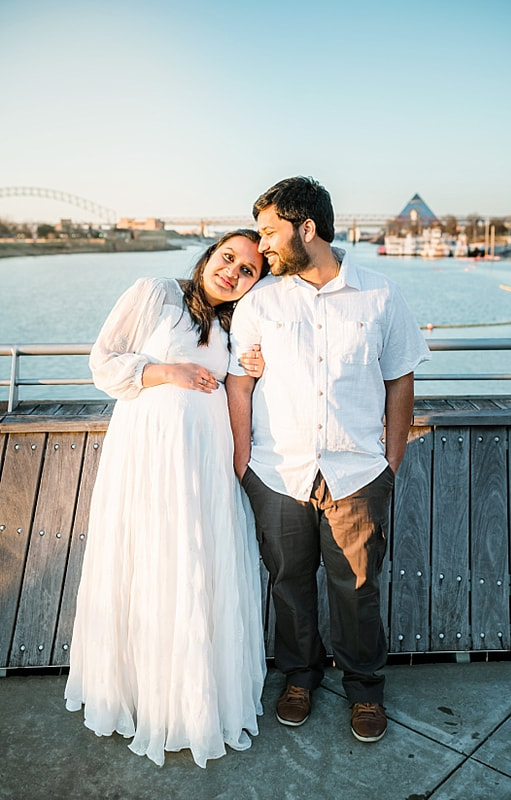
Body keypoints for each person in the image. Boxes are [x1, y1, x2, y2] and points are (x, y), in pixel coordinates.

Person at [226, 176, 430, 743]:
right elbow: (239, 383)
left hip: (358, 473)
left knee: (357, 588)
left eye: (269, 233)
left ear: (306, 228)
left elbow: (400, 383)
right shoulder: (259, 302)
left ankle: (365, 689)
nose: (262, 246)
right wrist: (245, 464)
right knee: (288, 582)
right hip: (276, 472)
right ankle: (299, 677)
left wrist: (389, 462)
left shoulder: (382, 295)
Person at [64, 230, 269, 768]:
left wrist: (255, 366)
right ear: (210, 255)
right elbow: (103, 362)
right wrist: (165, 372)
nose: (233, 272)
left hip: (205, 469)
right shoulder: (156, 293)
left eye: (248, 270)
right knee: (152, 566)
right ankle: (143, 695)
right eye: (229, 258)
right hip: (150, 462)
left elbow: (241, 388)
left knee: (197, 571)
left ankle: (194, 698)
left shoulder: (233, 325)